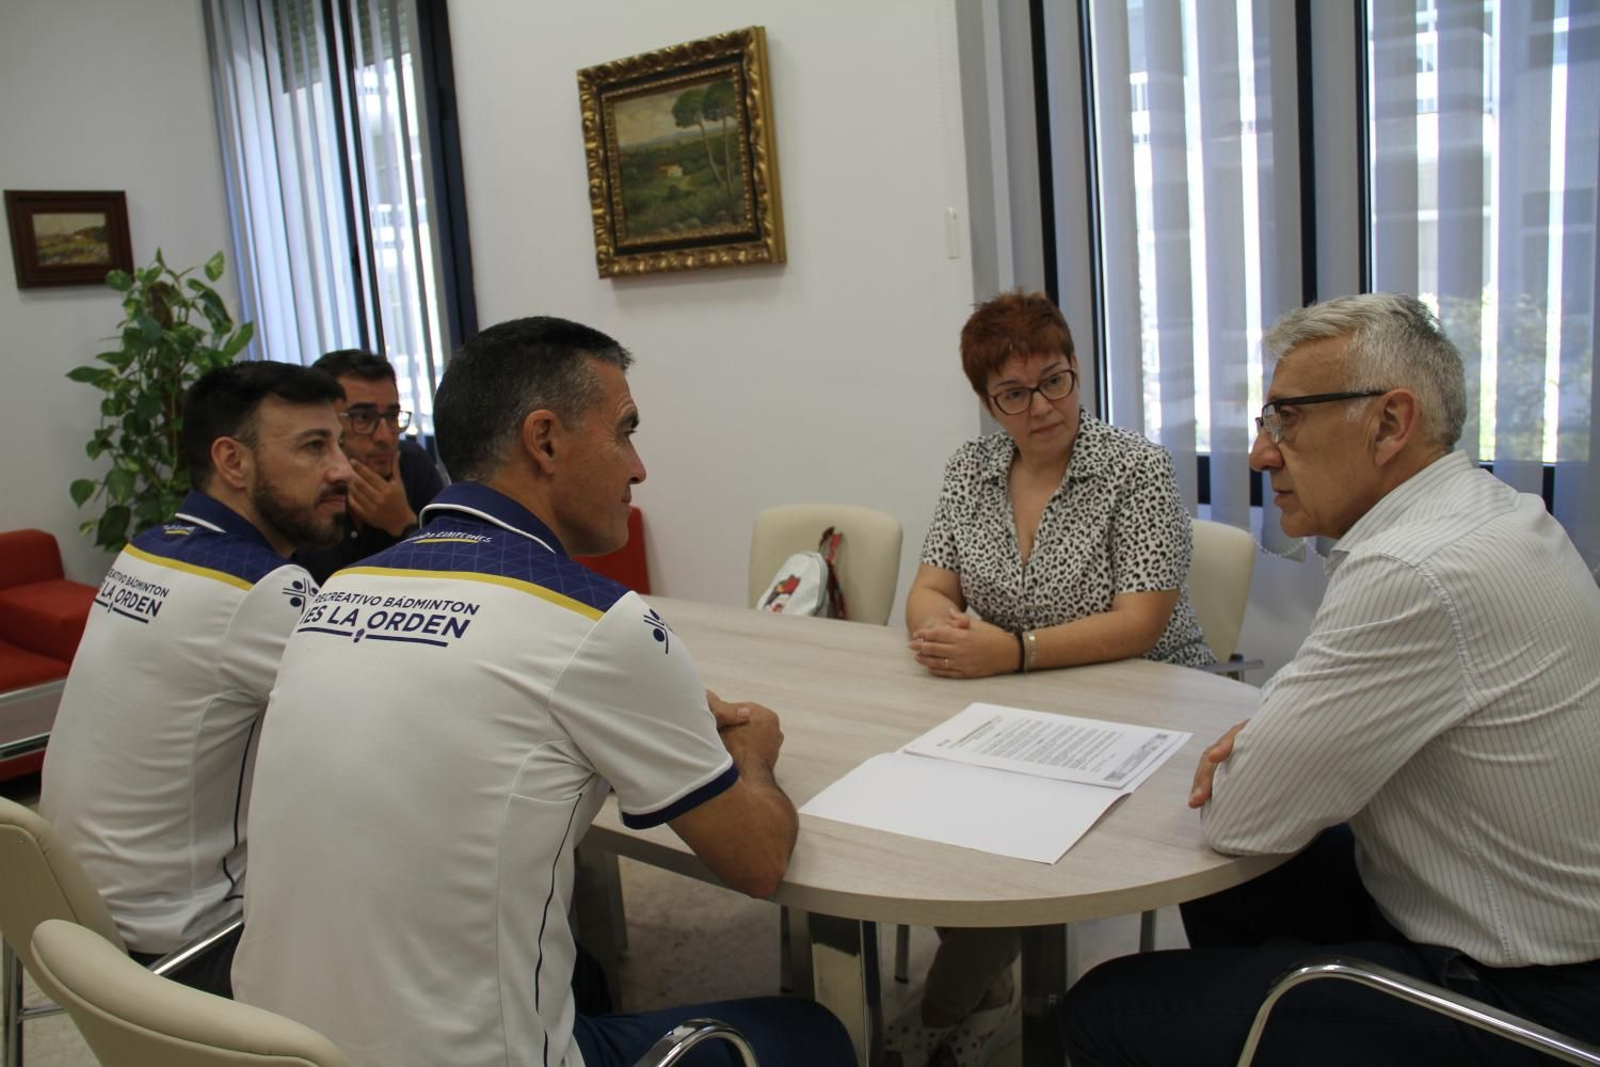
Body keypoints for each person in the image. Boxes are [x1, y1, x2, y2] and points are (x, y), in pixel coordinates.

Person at [231, 316, 855, 1067]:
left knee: (584, 974)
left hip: (265, 1046)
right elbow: (757, 860)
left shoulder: (336, 592)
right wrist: (753, 752)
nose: (639, 468)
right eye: (625, 431)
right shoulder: (593, 621)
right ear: (545, 440)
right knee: (815, 1034)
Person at [1059, 293, 1600, 1066]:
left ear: (1390, 422)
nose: (1260, 454)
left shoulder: (1412, 569)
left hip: (1526, 999)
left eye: (1286, 419)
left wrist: (1266, 744)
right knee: (1226, 881)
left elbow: (1241, 815)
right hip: (1520, 914)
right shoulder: (1494, 512)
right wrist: (1278, 739)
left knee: (1103, 1008)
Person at [891, 291, 1212, 1066]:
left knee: (1012, 837)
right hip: (1015, 702)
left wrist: (1013, 650)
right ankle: (990, 985)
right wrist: (941, 629)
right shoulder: (970, 468)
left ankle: (945, 1002)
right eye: (1014, 393)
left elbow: (1140, 621)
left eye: (1054, 381)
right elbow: (929, 587)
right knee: (917, 799)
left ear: (1076, 371)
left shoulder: (1135, 468)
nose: (1041, 407)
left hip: (1144, 707)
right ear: (987, 402)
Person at [40, 361, 352, 996]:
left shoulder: (147, 549)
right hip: (190, 946)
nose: (343, 469)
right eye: (314, 447)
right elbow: (381, 725)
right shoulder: (261, 589)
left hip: (76, 918)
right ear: (233, 462)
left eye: (338, 444)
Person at [292, 348, 445, 584]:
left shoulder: (411, 463)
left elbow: (452, 572)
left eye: (392, 416)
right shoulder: (300, 482)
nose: (385, 437)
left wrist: (403, 524)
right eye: (363, 417)